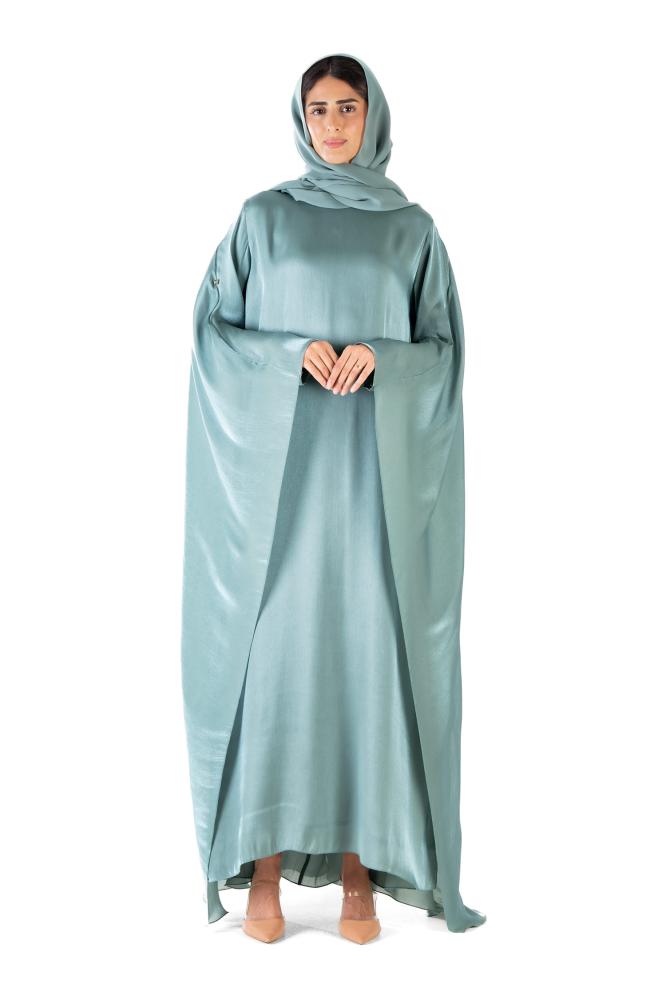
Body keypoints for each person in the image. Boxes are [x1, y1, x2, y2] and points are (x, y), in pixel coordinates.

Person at [181, 51, 487, 944]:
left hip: (373, 492)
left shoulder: (411, 231)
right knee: (276, 660)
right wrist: (289, 356)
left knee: (367, 660)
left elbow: (445, 355)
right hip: (281, 493)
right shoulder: (263, 221)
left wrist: (383, 361)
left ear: (373, 115)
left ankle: (360, 873)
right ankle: (262, 870)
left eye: (348, 108)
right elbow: (214, 337)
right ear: (300, 117)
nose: (333, 126)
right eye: (318, 110)